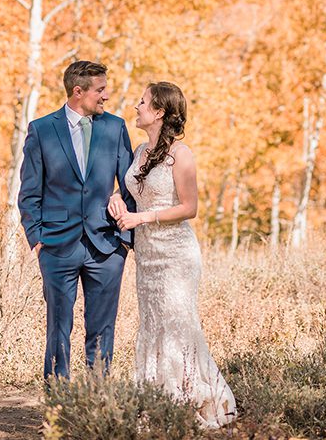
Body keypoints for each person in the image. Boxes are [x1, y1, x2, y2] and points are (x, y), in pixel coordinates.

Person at [113, 81, 236, 428]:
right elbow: (132, 191)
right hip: (147, 256)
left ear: (159, 112)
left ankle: (190, 399)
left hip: (176, 255)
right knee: (152, 325)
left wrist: (142, 217)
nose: (136, 107)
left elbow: (189, 207)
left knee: (177, 326)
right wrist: (120, 200)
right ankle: (156, 402)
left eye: (142, 102)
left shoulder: (181, 155)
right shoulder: (139, 151)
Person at [17, 60, 135, 381]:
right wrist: (38, 242)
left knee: (102, 329)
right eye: (100, 90)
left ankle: (98, 397)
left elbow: (130, 186)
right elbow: (29, 193)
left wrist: (125, 241)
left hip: (107, 247)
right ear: (78, 91)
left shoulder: (115, 127)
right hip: (56, 246)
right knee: (58, 327)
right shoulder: (41, 129)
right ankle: (58, 399)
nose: (106, 97)